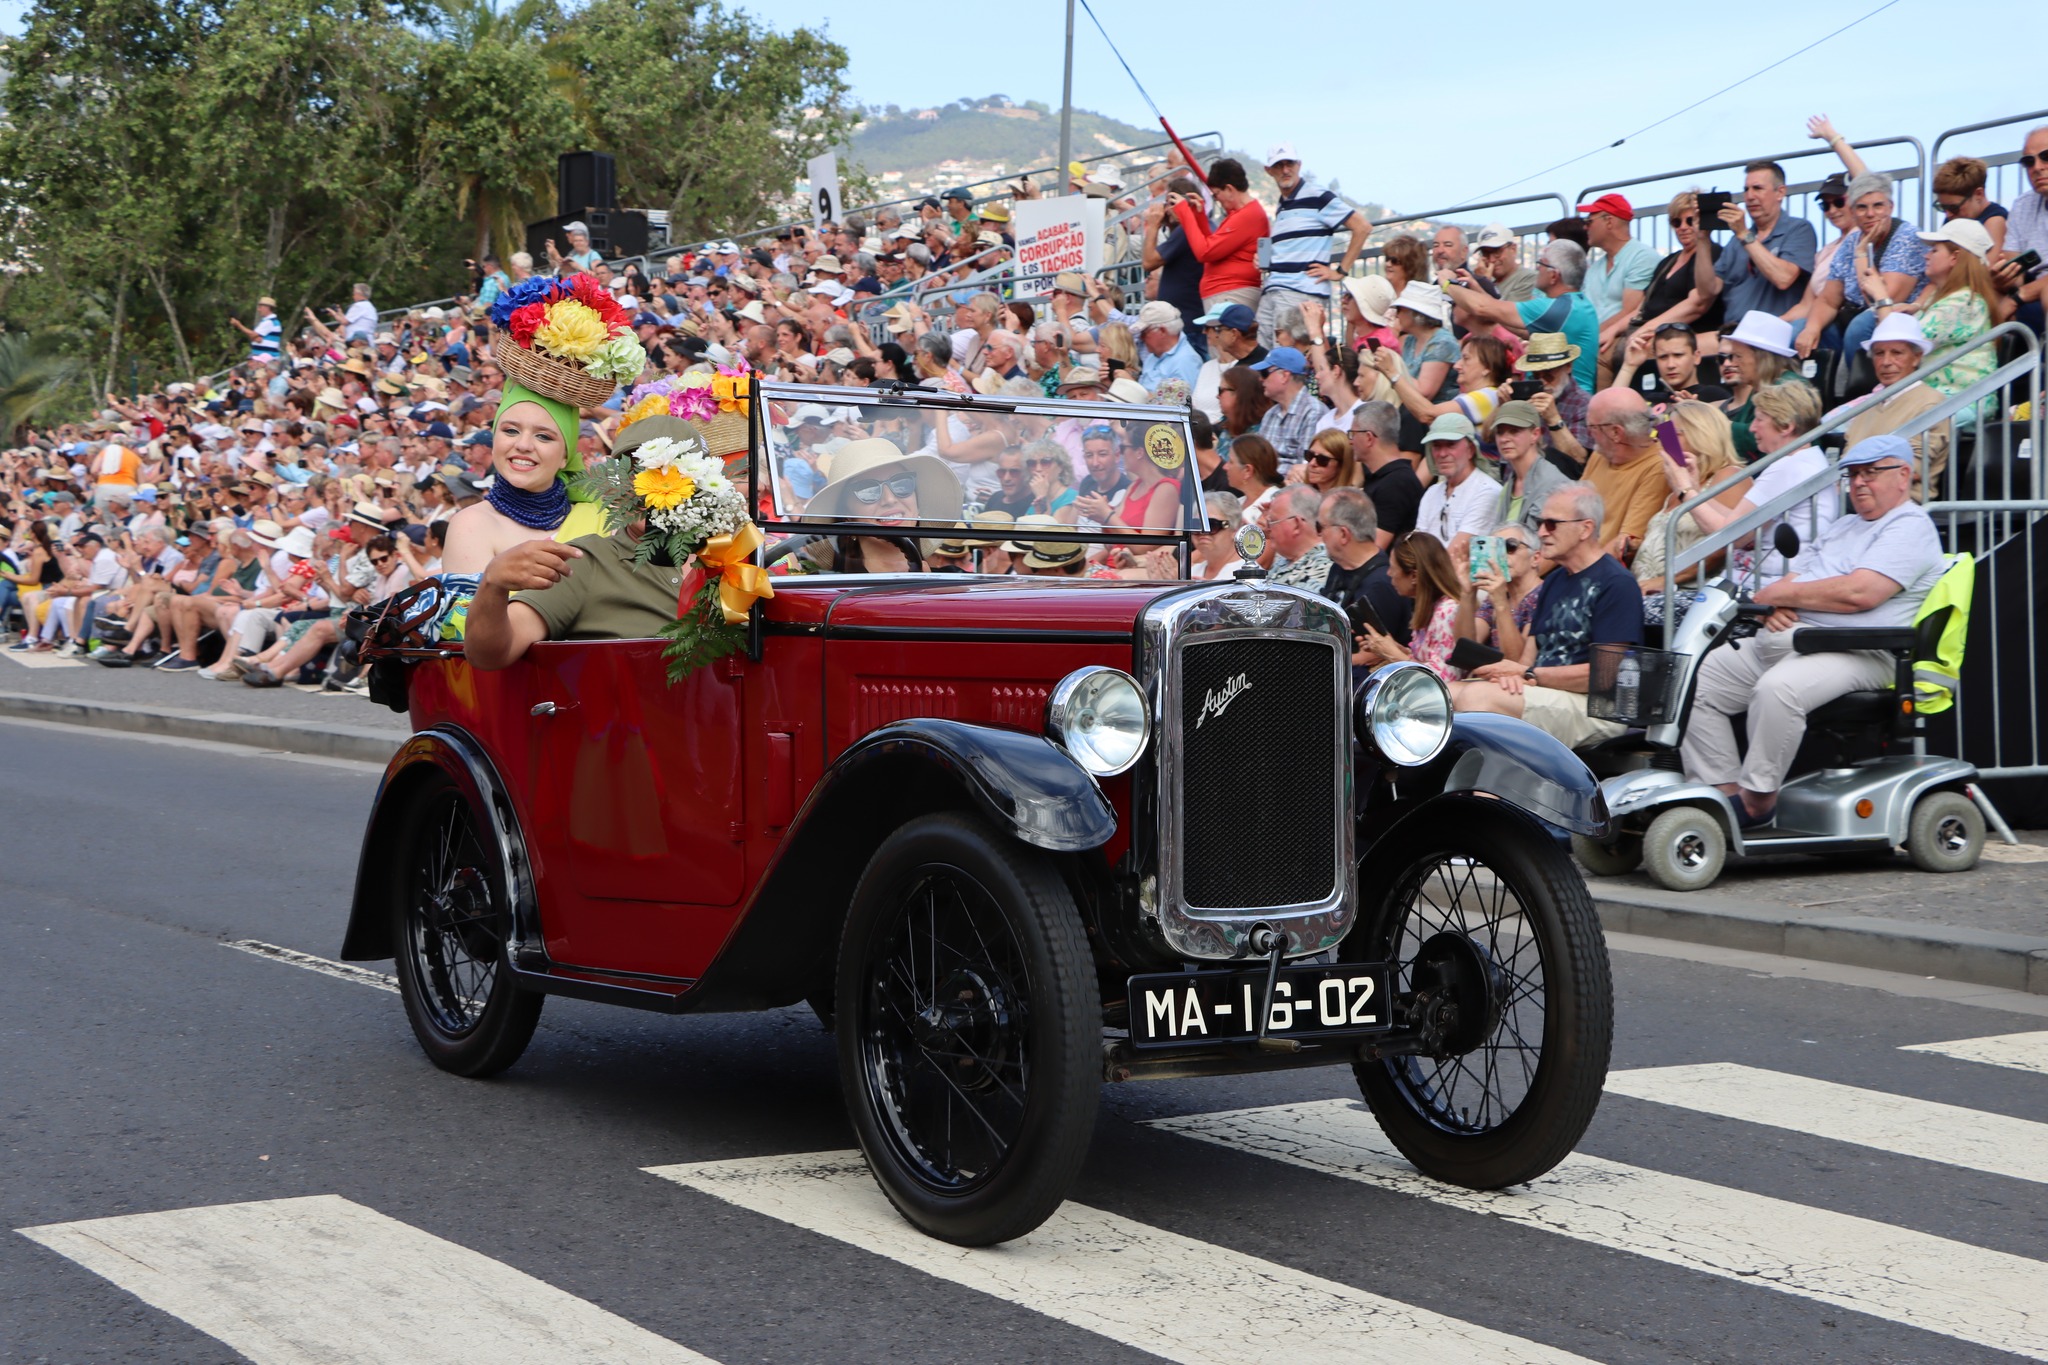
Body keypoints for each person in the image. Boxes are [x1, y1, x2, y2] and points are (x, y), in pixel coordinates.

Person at [1680, 435, 1944, 826]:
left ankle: (1756, 802)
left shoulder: (1910, 526)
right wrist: (1776, 605)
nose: (1859, 483)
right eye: (1853, 475)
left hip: (1860, 651)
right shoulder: (1844, 526)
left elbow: (1859, 593)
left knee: (1778, 689)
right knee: (1695, 679)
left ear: (1903, 475)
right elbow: (1793, 581)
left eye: (1871, 473)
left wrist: (1781, 596)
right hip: (1798, 640)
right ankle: (1721, 795)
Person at [1449, 483, 1642, 749]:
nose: (1541, 532)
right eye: (1540, 523)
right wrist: (1514, 674)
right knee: (1442, 695)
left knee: (1477, 697)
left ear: (1585, 528)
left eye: (1552, 524)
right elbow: (1526, 658)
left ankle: (1489, 777)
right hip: (1546, 691)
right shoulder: (1554, 581)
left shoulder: (1617, 583)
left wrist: (1528, 674)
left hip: (1597, 708)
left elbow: (1604, 677)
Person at [1676, 381, 1832, 584]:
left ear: (1786, 426)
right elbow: (1736, 522)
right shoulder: (1807, 460)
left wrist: (1685, 491)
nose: (1751, 428)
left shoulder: (1788, 467)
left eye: (1759, 420)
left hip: (1762, 585)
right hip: (1759, 580)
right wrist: (1696, 491)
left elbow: (1730, 535)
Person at [1632, 401, 1747, 627]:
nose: (1663, 441)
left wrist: (1666, 580)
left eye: (1672, 434)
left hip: (1687, 595)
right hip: (1647, 591)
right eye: (1662, 434)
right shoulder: (1678, 484)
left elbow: (1723, 546)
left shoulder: (1728, 477)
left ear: (1700, 435)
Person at [1795, 172, 1927, 361]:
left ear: (1890, 207)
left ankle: (1863, 381)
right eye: (1862, 207)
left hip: (1895, 319)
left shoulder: (1907, 237)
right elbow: (1828, 300)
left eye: (1878, 206)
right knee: (1800, 331)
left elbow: (1881, 301)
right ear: (1853, 211)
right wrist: (1811, 329)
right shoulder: (1851, 241)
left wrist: (1861, 253)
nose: (1870, 214)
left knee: (1860, 326)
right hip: (1850, 317)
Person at [1443, 240, 1599, 391]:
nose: (1537, 268)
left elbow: (1482, 308)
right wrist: (1478, 289)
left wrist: (1446, 283)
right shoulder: (1575, 305)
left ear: (1554, 275)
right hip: (1560, 392)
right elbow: (1503, 317)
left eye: (1541, 264)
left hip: (1566, 398)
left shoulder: (1557, 309)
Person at [1259, 145, 1371, 347]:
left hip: (1299, 291)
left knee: (1285, 356)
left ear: (1299, 165)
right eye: (1279, 165)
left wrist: (1340, 271)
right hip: (1277, 289)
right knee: (1268, 355)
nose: (1285, 170)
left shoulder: (1317, 195)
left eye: (1289, 163)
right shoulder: (1282, 205)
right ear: (1269, 170)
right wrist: (1265, 258)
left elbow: (1362, 227)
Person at [801, 437, 964, 573]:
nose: (889, 499)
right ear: (846, 514)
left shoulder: (956, 584)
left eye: (902, 484)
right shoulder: (823, 587)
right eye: (868, 490)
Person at [1838, 313, 1951, 501]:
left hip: (1901, 505)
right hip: (1856, 502)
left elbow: (1912, 469)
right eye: (1879, 354)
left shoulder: (1931, 402)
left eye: (1897, 353)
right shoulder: (1866, 406)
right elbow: (1845, 463)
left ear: (1916, 358)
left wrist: (1857, 474)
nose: (1886, 362)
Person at [1886, 219, 1999, 402]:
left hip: (1959, 402)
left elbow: (1902, 346)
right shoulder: (1944, 297)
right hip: (1933, 400)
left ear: (1954, 257)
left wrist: (1882, 299)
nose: (1926, 255)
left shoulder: (1964, 302)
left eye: (1934, 250)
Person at [1698, 160, 1818, 322]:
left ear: (1780, 192)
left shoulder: (1799, 229)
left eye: (1757, 188)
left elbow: (1783, 278)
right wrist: (1702, 240)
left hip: (1773, 331)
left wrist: (1744, 234)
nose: (1749, 196)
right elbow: (1707, 292)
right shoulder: (1734, 242)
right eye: (1746, 189)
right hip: (1731, 331)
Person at [1615, 193, 1722, 361]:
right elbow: (1641, 309)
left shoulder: (1711, 254)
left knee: (1635, 351)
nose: (1683, 227)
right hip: (1647, 332)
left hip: (1679, 336)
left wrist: (1647, 329)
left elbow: (1697, 304)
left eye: (1690, 220)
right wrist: (1610, 332)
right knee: (1599, 351)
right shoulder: (1667, 261)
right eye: (1676, 222)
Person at [1355, 531, 1465, 683]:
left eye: (1393, 568)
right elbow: (1427, 661)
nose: (1389, 573)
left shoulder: (1447, 611)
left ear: (1414, 576)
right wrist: (1393, 648)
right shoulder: (1429, 608)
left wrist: (1392, 653)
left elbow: (1444, 681)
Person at [1579, 388, 1672, 563]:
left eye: (1592, 427)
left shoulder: (1658, 466)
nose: (1589, 433)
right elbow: (1571, 513)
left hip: (1596, 568)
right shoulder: (1600, 453)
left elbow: (1623, 544)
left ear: (1616, 432)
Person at [1170, 158, 1268, 317]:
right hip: (1228, 294)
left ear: (1229, 189)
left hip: (1231, 295)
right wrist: (1199, 216)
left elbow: (1204, 252)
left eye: (1216, 195)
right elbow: (1213, 249)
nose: (1217, 201)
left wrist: (1185, 213)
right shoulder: (1243, 214)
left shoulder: (1248, 216)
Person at [1316, 488, 1409, 652]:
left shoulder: (1382, 584)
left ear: (1343, 534)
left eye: (1320, 527)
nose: (1319, 535)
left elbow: (1377, 654)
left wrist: (1322, 663)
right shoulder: (1339, 568)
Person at [1576, 194, 1658, 361]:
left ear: (1609, 221)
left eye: (1589, 221)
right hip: (1594, 341)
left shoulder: (1642, 257)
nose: (1585, 227)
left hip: (1619, 339)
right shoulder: (1595, 267)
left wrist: (1587, 339)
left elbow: (1630, 312)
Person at [1720, 310, 1809, 461]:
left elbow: (1760, 436)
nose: (1733, 363)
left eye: (1738, 356)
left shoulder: (1790, 387)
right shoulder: (1760, 386)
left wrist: (1714, 423)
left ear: (1761, 357)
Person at [1455, 522, 1543, 662]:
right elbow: (1465, 649)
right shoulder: (1497, 595)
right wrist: (1467, 593)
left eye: (1510, 546)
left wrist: (1501, 604)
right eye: (1495, 549)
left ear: (1535, 558)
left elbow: (1518, 663)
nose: (1501, 555)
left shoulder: (1544, 595)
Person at [1486, 401, 1573, 541]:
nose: (1504, 439)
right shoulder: (1509, 485)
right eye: (1500, 432)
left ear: (1535, 434)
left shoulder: (1553, 484)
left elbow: (1554, 543)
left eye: (1514, 431)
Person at [1412, 414, 1502, 545]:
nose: (1442, 454)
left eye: (1451, 445)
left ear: (1471, 450)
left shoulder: (1487, 491)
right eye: (1437, 446)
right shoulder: (1431, 493)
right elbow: (1418, 546)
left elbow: (1459, 551)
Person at [1351, 400, 1419, 549]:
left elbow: (1374, 548)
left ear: (1369, 438)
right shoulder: (1384, 478)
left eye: (1353, 434)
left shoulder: (1396, 483)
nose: (1350, 441)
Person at [1250, 347, 1335, 464]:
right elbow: (1258, 459)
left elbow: (1307, 465)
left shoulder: (1313, 412)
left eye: (1265, 373)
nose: (1260, 379)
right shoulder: (1270, 414)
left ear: (1284, 376)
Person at [1613, 323, 1731, 406]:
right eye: (1663, 357)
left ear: (1696, 357)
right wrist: (1629, 366)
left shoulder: (1714, 395)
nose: (1670, 365)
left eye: (1678, 355)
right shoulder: (1651, 399)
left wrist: (1695, 413)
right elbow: (1610, 411)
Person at [1388, 283, 1459, 404]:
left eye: (1400, 309)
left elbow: (1424, 393)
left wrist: (1390, 369)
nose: (1397, 315)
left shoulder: (1442, 343)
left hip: (1437, 412)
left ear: (1416, 313)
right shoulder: (1410, 340)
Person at [1262, 483, 1330, 591]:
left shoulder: (1323, 567)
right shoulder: (1284, 560)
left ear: (1296, 525)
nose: (1267, 527)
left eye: (1272, 521)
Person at [1134, 301, 1203, 393]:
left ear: (1162, 331)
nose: (1141, 338)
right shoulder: (1153, 356)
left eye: (1144, 333)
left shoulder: (1186, 361)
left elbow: (1180, 401)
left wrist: (1132, 386)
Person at [1472, 223, 1539, 301]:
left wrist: (1484, 284)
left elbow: (1505, 309)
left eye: (1497, 251)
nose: (1492, 259)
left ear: (1513, 249)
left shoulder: (1530, 279)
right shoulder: (1491, 282)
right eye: (1486, 253)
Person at [1297, 429, 1362, 495]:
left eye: (1322, 459)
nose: (1312, 463)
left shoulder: (1352, 499)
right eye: (1310, 455)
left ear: (1341, 464)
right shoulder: (1299, 494)